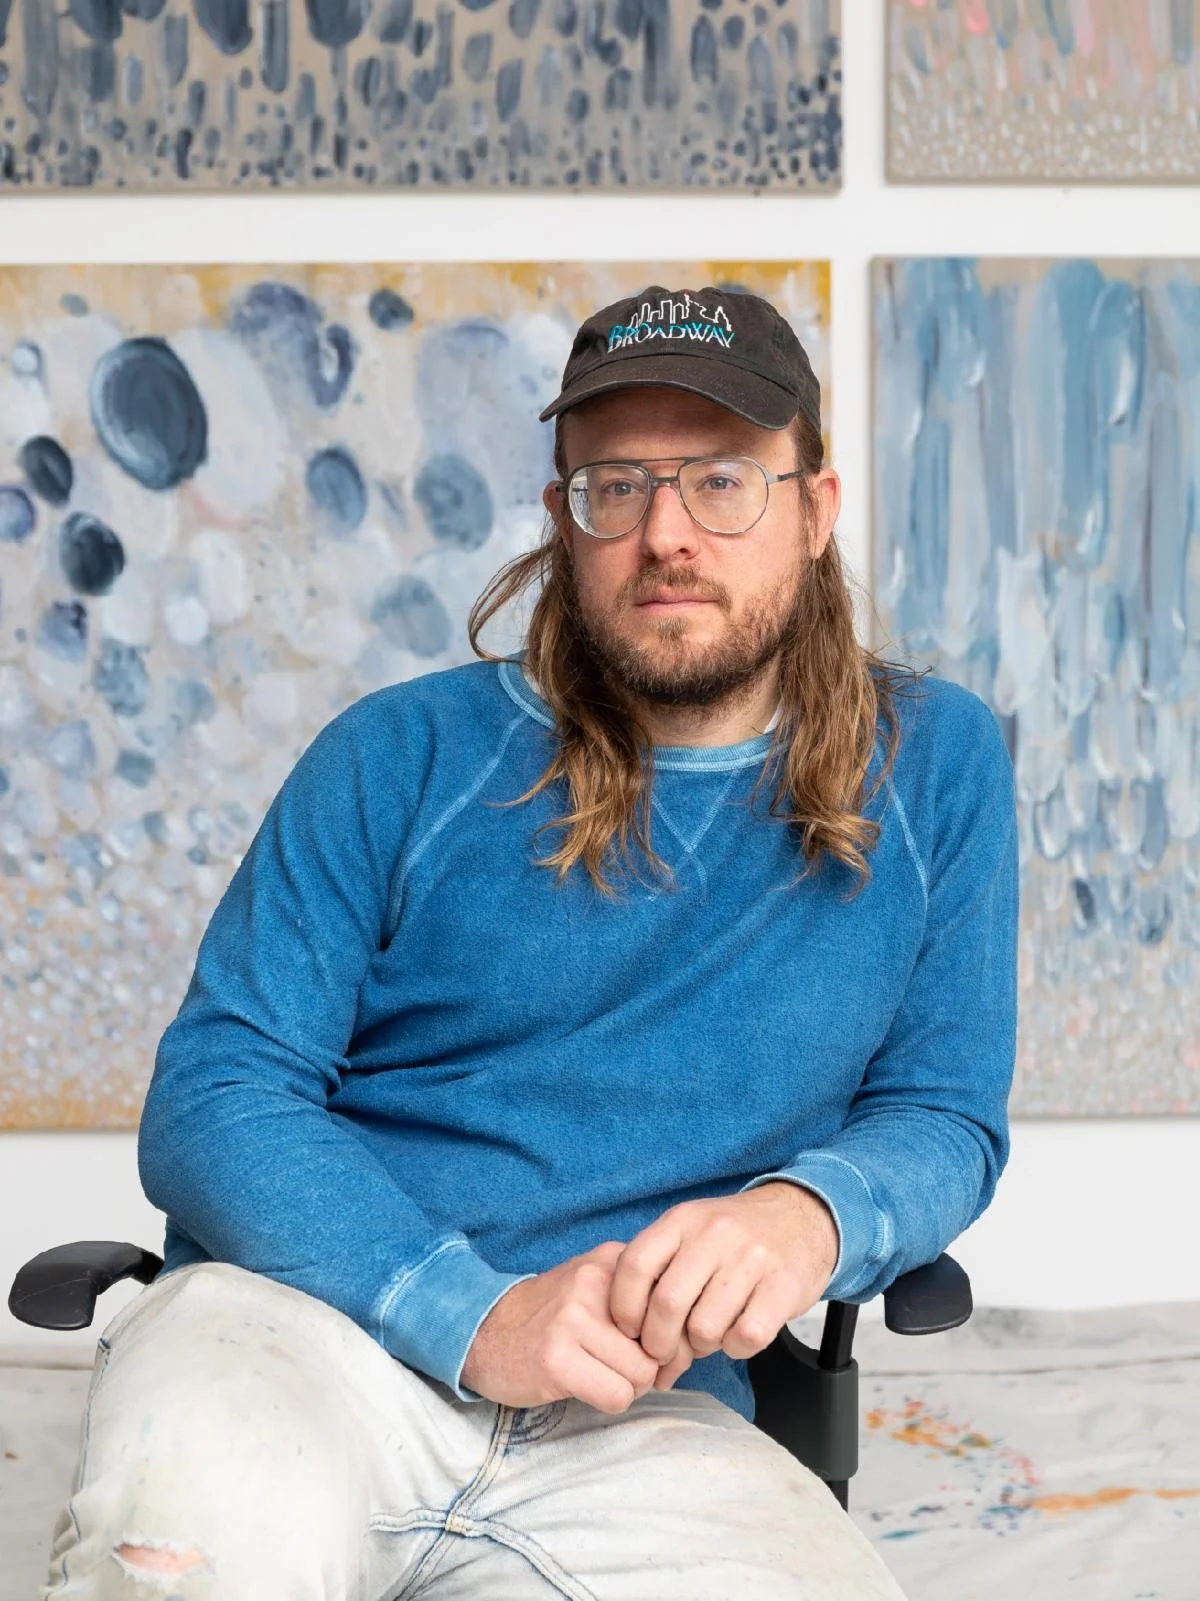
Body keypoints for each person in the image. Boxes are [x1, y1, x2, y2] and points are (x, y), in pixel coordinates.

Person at [40, 284, 1019, 1599]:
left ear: (815, 508)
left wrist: (811, 1216)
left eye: (722, 480)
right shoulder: (397, 754)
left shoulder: (936, 766)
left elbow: (943, 1113)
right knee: (180, 1570)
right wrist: (471, 1312)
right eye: (617, 486)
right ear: (565, 518)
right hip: (305, 1339)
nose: (666, 534)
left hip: (645, 1411)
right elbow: (217, 1096)